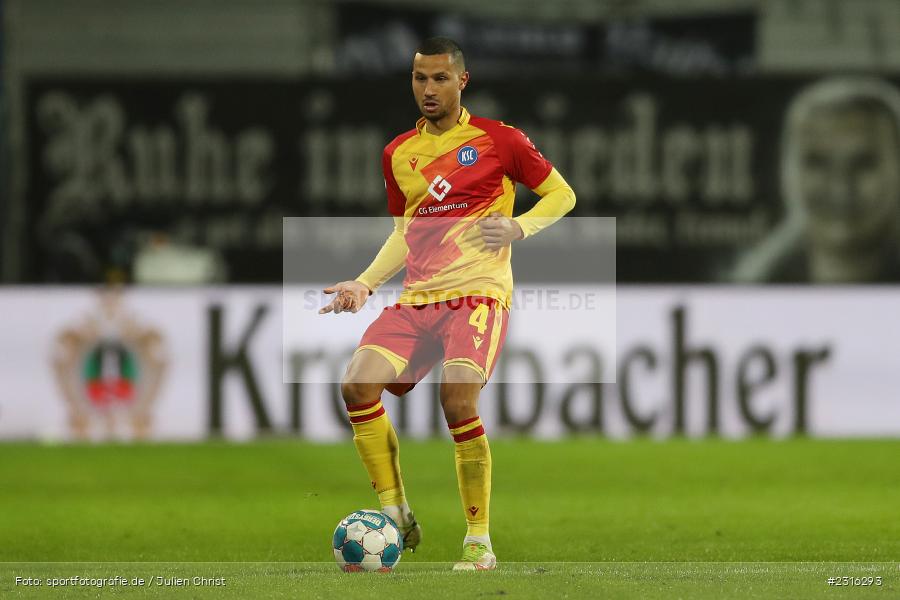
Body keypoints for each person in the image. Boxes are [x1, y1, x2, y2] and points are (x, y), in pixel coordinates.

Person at [319, 37, 575, 570]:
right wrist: (365, 283)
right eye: (419, 79)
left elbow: (562, 195)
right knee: (356, 385)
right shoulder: (398, 154)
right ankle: (395, 511)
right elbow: (404, 233)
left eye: (439, 78)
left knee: (457, 401)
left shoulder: (498, 140)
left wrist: (519, 226)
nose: (428, 89)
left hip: (479, 293)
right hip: (418, 298)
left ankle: (478, 541)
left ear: (463, 81)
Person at [732, 77, 900, 283]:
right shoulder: (749, 284)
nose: (841, 188)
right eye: (817, 164)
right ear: (785, 170)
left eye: (863, 164)